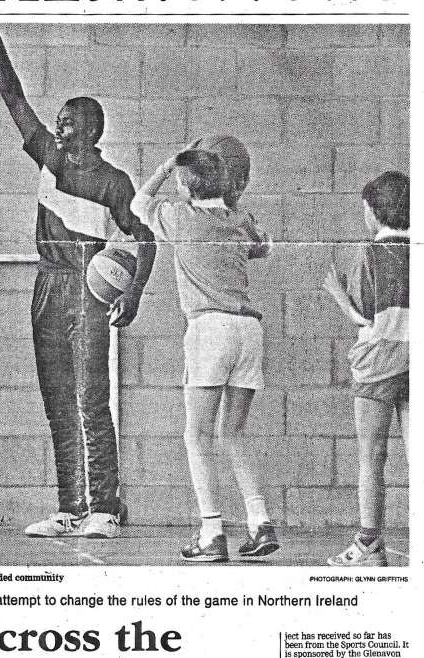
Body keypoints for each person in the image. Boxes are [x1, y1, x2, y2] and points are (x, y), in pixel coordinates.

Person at [0, 23, 157, 539]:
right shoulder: (48, 155)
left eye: (68, 122)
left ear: (91, 130)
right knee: (57, 400)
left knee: (92, 399)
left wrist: (131, 295)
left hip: (87, 289)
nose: (59, 127)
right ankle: (70, 507)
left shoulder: (114, 182)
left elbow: (146, 240)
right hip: (46, 286)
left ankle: (105, 509)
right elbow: (13, 96)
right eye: (59, 122)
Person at [131, 139, 279, 562]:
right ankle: (260, 522)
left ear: (183, 184)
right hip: (250, 331)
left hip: (209, 328)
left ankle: (211, 533)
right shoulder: (239, 219)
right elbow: (263, 247)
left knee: (196, 435)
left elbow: (140, 202)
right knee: (233, 433)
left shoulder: (178, 216)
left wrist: (166, 163)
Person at [323, 171, 409, 567]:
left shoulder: (370, 254)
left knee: (372, 455)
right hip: (416, 360)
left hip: (377, 365)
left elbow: (364, 318)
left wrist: (338, 295)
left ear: (374, 212)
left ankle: (369, 544)